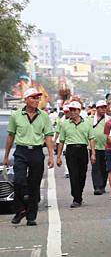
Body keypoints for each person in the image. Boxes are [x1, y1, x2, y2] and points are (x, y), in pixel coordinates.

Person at [3, 88, 54, 226]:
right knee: (19, 181)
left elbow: (48, 136)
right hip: (21, 152)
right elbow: (11, 136)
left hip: (36, 152)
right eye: (33, 98)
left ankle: (31, 216)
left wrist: (51, 156)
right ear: (26, 100)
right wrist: (6, 156)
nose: (36, 101)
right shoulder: (16, 115)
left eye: (38, 98)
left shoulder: (44, 116)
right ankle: (20, 210)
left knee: (34, 184)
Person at [57, 101, 96, 208]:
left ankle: (79, 194)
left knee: (82, 175)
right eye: (71, 110)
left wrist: (93, 153)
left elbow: (91, 139)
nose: (72, 112)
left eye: (75, 110)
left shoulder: (87, 123)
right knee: (73, 175)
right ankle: (76, 198)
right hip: (71, 150)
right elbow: (61, 141)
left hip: (82, 150)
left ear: (79, 111)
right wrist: (58, 156)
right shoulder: (65, 124)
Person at [89, 100, 110, 195]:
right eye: (101, 107)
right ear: (97, 109)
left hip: (106, 147)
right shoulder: (90, 119)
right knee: (96, 167)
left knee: (104, 167)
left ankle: (102, 186)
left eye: (105, 107)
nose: (103, 109)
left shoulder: (109, 119)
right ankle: (97, 186)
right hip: (94, 147)